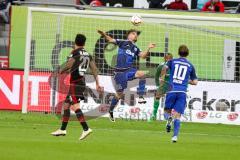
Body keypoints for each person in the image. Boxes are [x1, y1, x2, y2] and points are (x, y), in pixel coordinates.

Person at [51, 34, 103, 140]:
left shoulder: (75, 53)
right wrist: (97, 83)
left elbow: (69, 65)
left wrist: (60, 70)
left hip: (76, 83)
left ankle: (86, 128)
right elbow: (94, 69)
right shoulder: (88, 54)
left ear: (75, 42)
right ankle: (62, 129)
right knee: (66, 105)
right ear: (84, 43)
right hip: (80, 83)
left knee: (75, 107)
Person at [97, 29, 156, 122]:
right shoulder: (123, 42)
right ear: (128, 35)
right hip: (119, 72)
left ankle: (141, 96)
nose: (135, 35)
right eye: (133, 33)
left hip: (129, 70)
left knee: (142, 75)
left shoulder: (136, 48)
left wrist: (149, 48)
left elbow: (143, 56)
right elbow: (110, 40)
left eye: (136, 34)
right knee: (119, 94)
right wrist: (104, 34)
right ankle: (111, 110)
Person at [161, 45, 198, 143]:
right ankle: (175, 137)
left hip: (172, 90)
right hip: (182, 92)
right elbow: (195, 82)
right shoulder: (190, 65)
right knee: (177, 116)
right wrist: (186, 81)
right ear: (188, 53)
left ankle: (169, 119)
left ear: (178, 53)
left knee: (166, 112)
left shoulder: (172, 61)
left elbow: (164, 68)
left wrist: (162, 78)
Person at [149, 53, 173, 121]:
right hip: (163, 84)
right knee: (157, 97)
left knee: (171, 100)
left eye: (170, 58)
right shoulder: (161, 66)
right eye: (167, 58)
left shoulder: (174, 66)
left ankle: (169, 116)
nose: (168, 60)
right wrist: (157, 85)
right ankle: (154, 114)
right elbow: (156, 76)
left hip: (172, 85)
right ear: (165, 59)